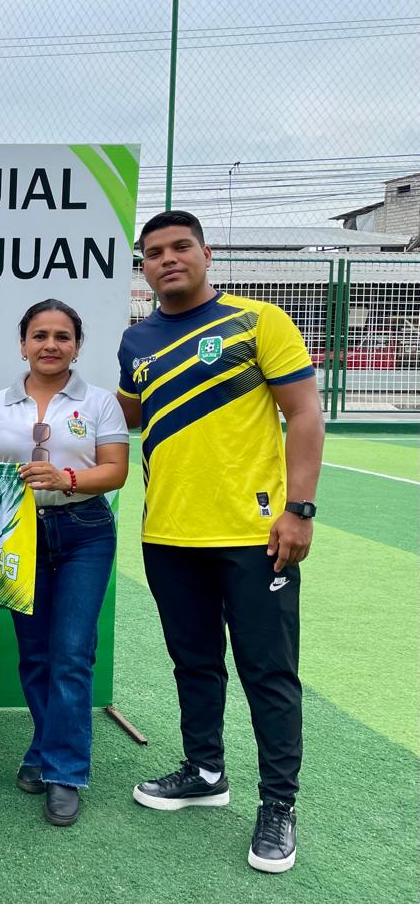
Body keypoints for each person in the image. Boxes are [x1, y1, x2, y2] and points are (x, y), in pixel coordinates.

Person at [119, 211, 324, 873]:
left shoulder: (258, 321)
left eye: (181, 247)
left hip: (253, 535)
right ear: (144, 267)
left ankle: (279, 804)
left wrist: (299, 510)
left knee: (269, 671)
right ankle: (205, 772)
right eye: (154, 252)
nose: (168, 259)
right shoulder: (136, 341)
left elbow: (304, 413)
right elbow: (123, 417)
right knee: (194, 661)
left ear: (206, 254)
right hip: (167, 534)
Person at [0, 299, 128, 826]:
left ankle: (64, 773)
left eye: (62, 336)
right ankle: (45, 745)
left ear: (77, 346)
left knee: (72, 653)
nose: (50, 345)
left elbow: (116, 471)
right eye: (40, 335)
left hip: (85, 532)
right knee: (35, 655)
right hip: (20, 536)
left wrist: (66, 479)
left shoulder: (100, 403)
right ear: (23, 345)